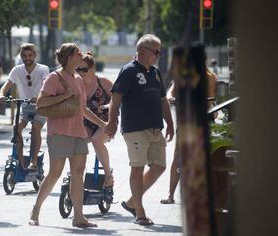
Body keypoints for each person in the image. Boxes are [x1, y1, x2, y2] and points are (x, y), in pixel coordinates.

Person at [29, 43, 106, 228]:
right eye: (78, 53)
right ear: (70, 57)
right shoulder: (54, 78)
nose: (82, 55)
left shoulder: (78, 78)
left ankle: (78, 217)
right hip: (59, 133)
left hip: (79, 133)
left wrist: (102, 124)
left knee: (78, 173)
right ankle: (36, 210)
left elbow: (83, 109)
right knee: (55, 173)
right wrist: (64, 96)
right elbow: (41, 103)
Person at [105, 34, 174, 226]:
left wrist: (170, 122)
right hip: (135, 128)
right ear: (142, 51)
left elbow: (163, 99)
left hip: (155, 128)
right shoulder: (128, 71)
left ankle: (131, 202)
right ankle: (140, 211)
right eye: (156, 52)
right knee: (138, 166)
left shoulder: (156, 72)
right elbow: (116, 97)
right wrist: (112, 122)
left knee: (160, 166)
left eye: (159, 52)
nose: (158, 55)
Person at [160, 53, 217, 205]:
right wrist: (171, 97)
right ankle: (170, 194)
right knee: (177, 156)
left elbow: (210, 98)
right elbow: (171, 90)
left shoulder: (210, 77)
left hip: (203, 119)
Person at [0, 43, 49, 170]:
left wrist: (39, 97)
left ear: (35, 55)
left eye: (30, 55)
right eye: (24, 56)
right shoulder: (17, 70)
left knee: (36, 127)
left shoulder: (43, 69)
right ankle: (21, 162)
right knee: (17, 127)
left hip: (40, 106)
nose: (27, 58)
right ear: (21, 56)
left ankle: (34, 161)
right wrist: (1, 95)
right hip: (25, 106)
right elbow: (7, 85)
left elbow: (45, 85)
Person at [77, 51, 114, 188]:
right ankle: (77, 173)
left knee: (96, 140)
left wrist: (106, 106)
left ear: (92, 68)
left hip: (107, 121)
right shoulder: (77, 83)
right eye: (78, 69)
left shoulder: (103, 82)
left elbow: (118, 100)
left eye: (84, 69)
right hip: (87, 121)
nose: (80, 72)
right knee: (77, 140)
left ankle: (108, 176)